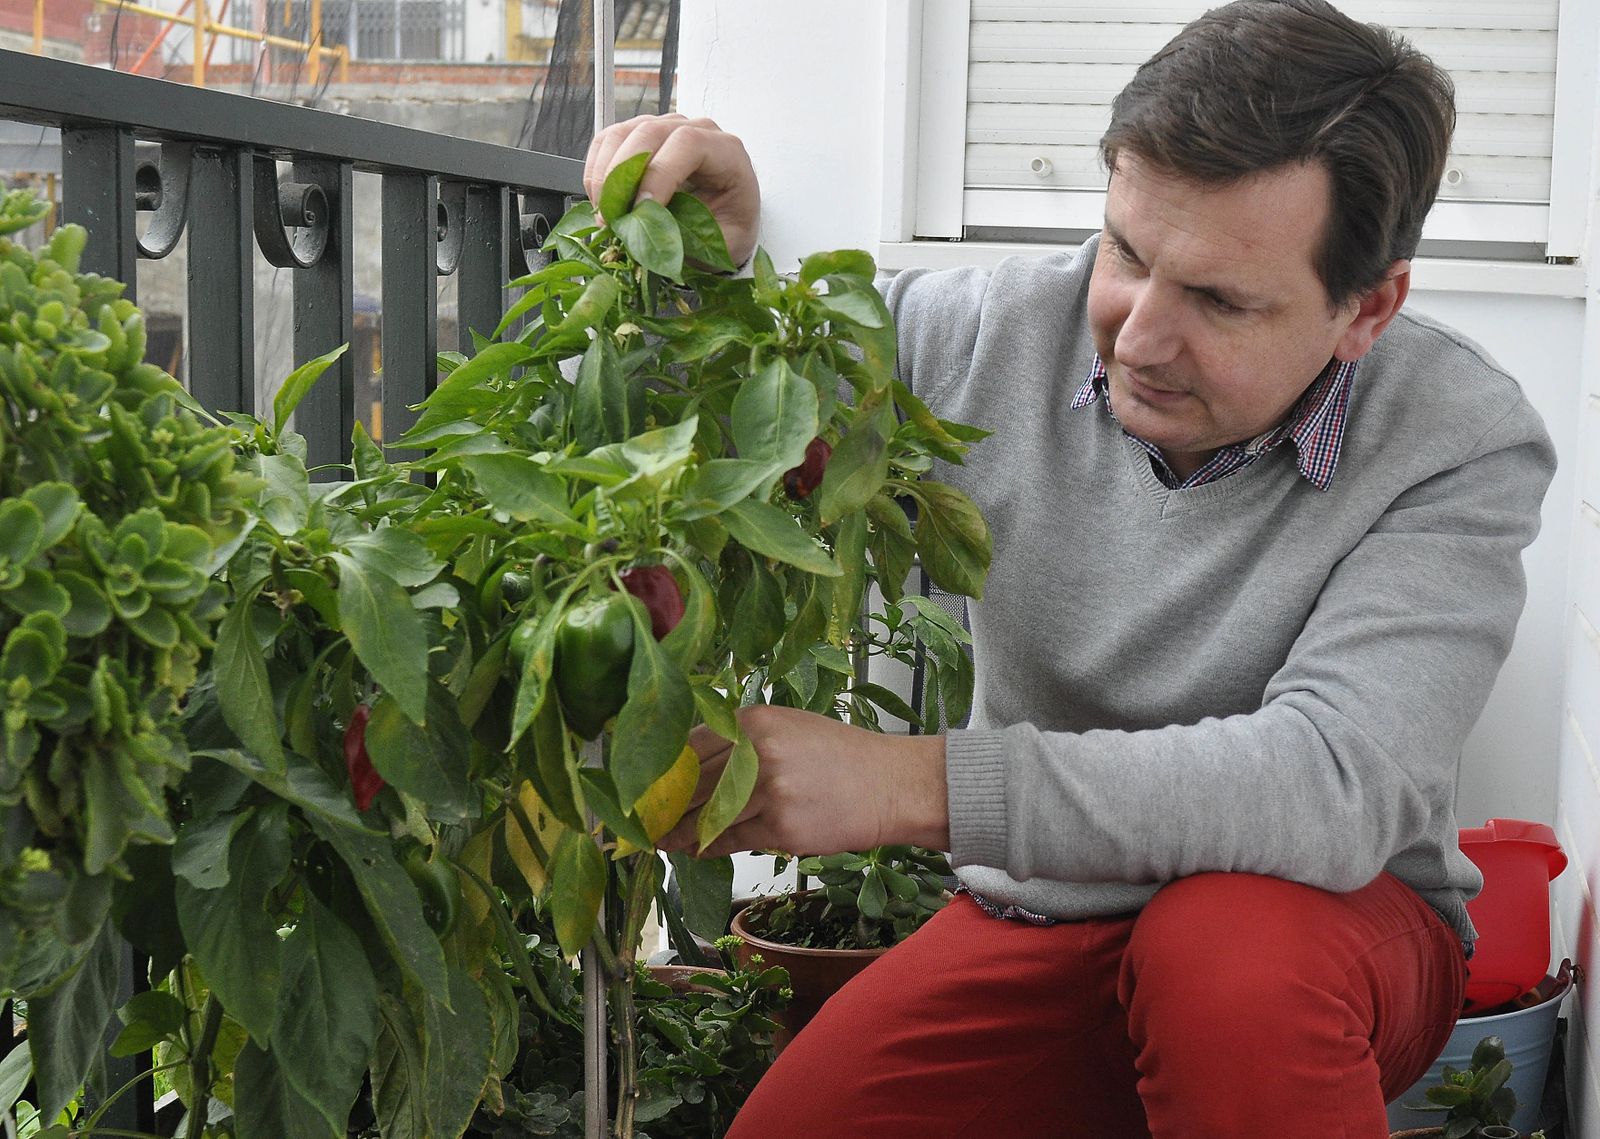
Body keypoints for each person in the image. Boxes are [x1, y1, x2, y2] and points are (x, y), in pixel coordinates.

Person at [584, 1, 1557, 1135]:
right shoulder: (987, 332)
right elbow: (734, 424)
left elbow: (1333, 783)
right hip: (1046, 914)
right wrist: (699, 268)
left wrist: (908, 784)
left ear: (1367, 307)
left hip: (1321, 928)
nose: (1139, 334)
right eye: (1126, 253)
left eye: (1219, 300)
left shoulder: (1457, 436)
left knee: (1226, 967)